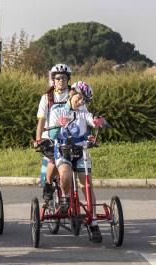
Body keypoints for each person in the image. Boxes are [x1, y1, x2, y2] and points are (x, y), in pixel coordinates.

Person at [49, 81, 107, 242]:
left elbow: (91, 120)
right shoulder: (56, 110)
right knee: (66, 175)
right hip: (63, 149)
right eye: (79, 97)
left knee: (87, 186)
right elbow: (52, 134)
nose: (81, 102)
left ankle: (93, 222)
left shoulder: (83, 111)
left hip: (81, 151)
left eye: (84, 100)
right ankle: (65, 199)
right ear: (71, 92)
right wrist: (57, 127)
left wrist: (97, 122)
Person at [34, 63, 73, 203]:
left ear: (68, 79)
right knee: (52, 158)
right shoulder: (47, 97)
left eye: (64, 78)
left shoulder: (73, 95)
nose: (61, 81)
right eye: (58, 78)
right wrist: (38, 139)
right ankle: (48, 185)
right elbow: (42, 120)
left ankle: (67, 197)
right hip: (50, 137)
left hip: (70, 136)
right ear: (53, 80)